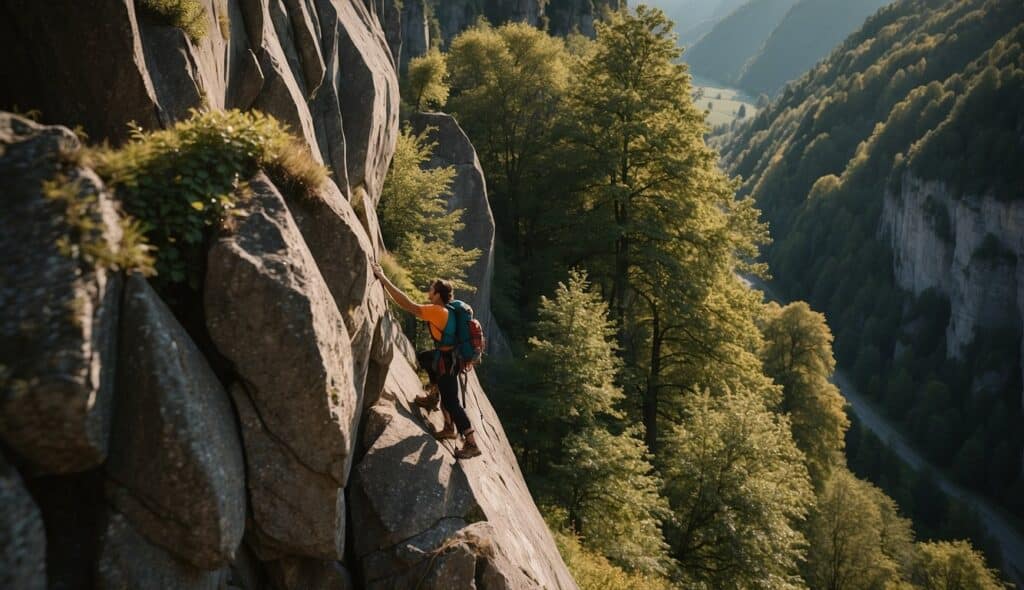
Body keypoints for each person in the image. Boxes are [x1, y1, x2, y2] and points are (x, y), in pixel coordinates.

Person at [371, 263, 482, 459]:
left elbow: (408, 305)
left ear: (438, 294)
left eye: (431, 289)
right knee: (425, 357)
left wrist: (382, 278)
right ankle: (434, 397)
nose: (428, 291)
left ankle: (471, 443)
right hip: (448, 357)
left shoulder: (438, 311)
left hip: (448, 361)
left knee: (452, 402)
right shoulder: (445, 310)